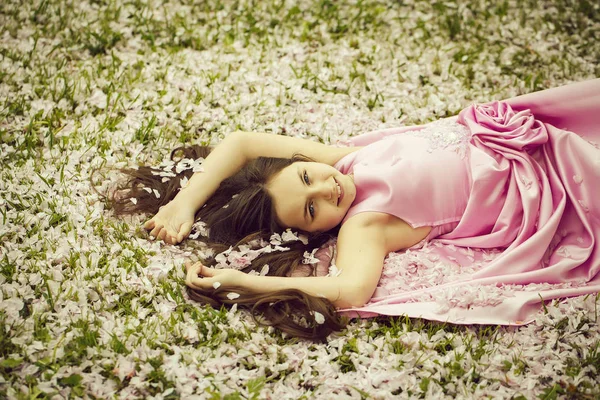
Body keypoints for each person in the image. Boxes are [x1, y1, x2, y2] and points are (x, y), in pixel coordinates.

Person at [108, 79, 600, 341]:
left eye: (306, 179)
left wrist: (186, 200)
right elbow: (347, 289)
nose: (326, 191)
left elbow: (240, 143)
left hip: (523, 131)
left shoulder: (337, 161)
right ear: (312, 231)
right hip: (546, 180)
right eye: (311, 210)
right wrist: (244, 282)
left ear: (303, 164)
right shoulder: (366, 225)